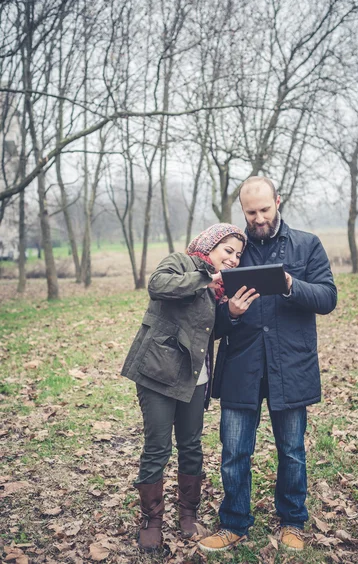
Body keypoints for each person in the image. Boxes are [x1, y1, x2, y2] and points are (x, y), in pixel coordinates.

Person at [199, 176, 337, 553]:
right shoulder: (232, 252)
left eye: (264, 209)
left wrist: (292, 284)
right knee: (234, 451)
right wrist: (231, 312)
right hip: (241, 367)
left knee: (292, 451)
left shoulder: (307, 244)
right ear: (241, 211)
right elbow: (209, 322)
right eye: (250, 212)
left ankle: (292, 521)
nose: (258, 218)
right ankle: (234, 524)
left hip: (290, 365)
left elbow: (328, 297)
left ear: (278, 201)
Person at [121, 223, 258, 552]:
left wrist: (232, 314)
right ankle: (151, 521)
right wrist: (204, 279)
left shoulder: (221, 288)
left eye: (239, 254)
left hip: (196, 378)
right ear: (210, 245)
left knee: (191, 446)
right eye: (228, 250)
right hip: (159, 371)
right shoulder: (180, 264)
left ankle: (188, 515)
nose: (234, 259)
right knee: (157, 447)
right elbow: (158, 286)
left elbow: (208, 331)